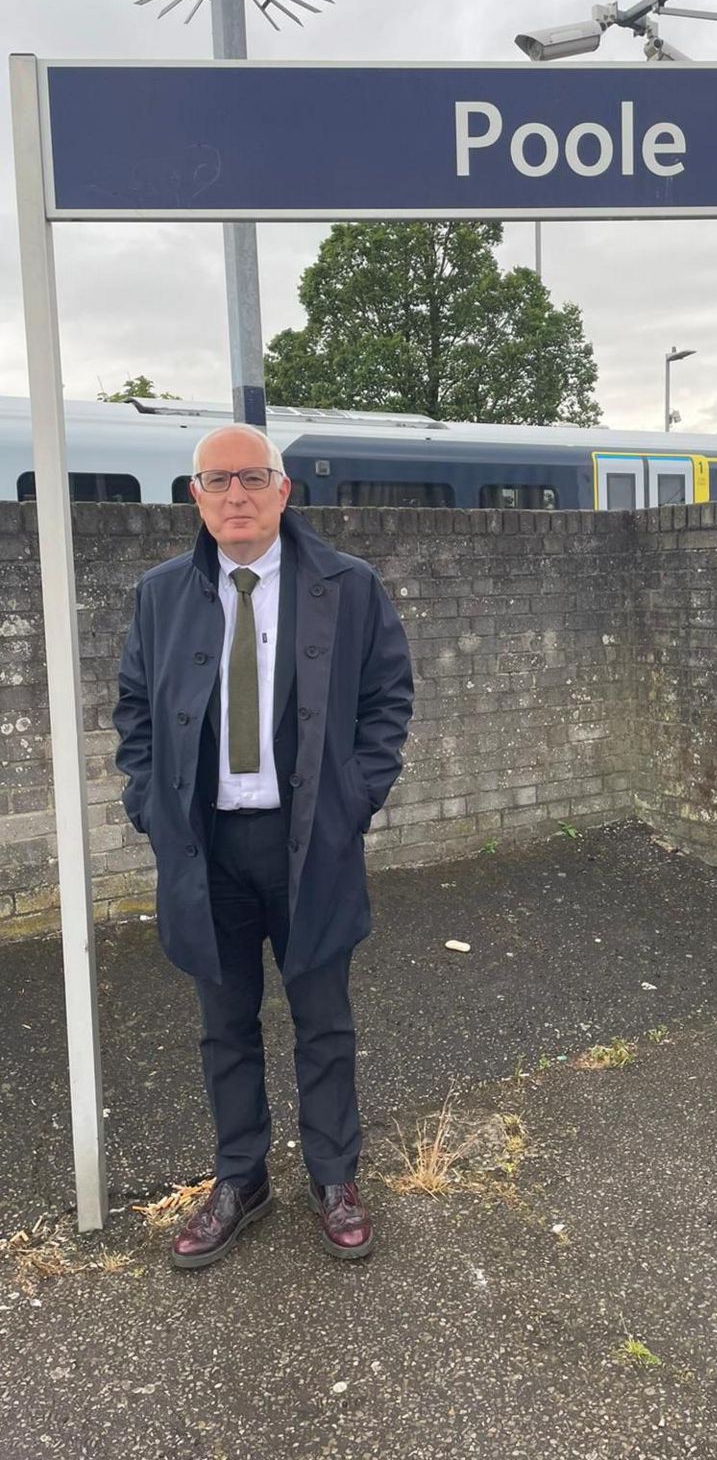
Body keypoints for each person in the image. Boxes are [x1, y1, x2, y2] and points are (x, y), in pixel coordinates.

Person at [113, 424, 414, 1268]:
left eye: (253, 478)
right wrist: (148, 802)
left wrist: (356, 797)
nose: (235, 495)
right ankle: (241, 1178)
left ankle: (333, 1177)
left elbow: (389, 694)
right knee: (225, 1027)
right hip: (206, 849)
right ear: (196, 495)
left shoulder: (346, 587)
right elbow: (134, 707)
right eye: (217, 480)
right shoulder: (161, 593)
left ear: (284, 491)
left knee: (323, 1021)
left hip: (309, 841)